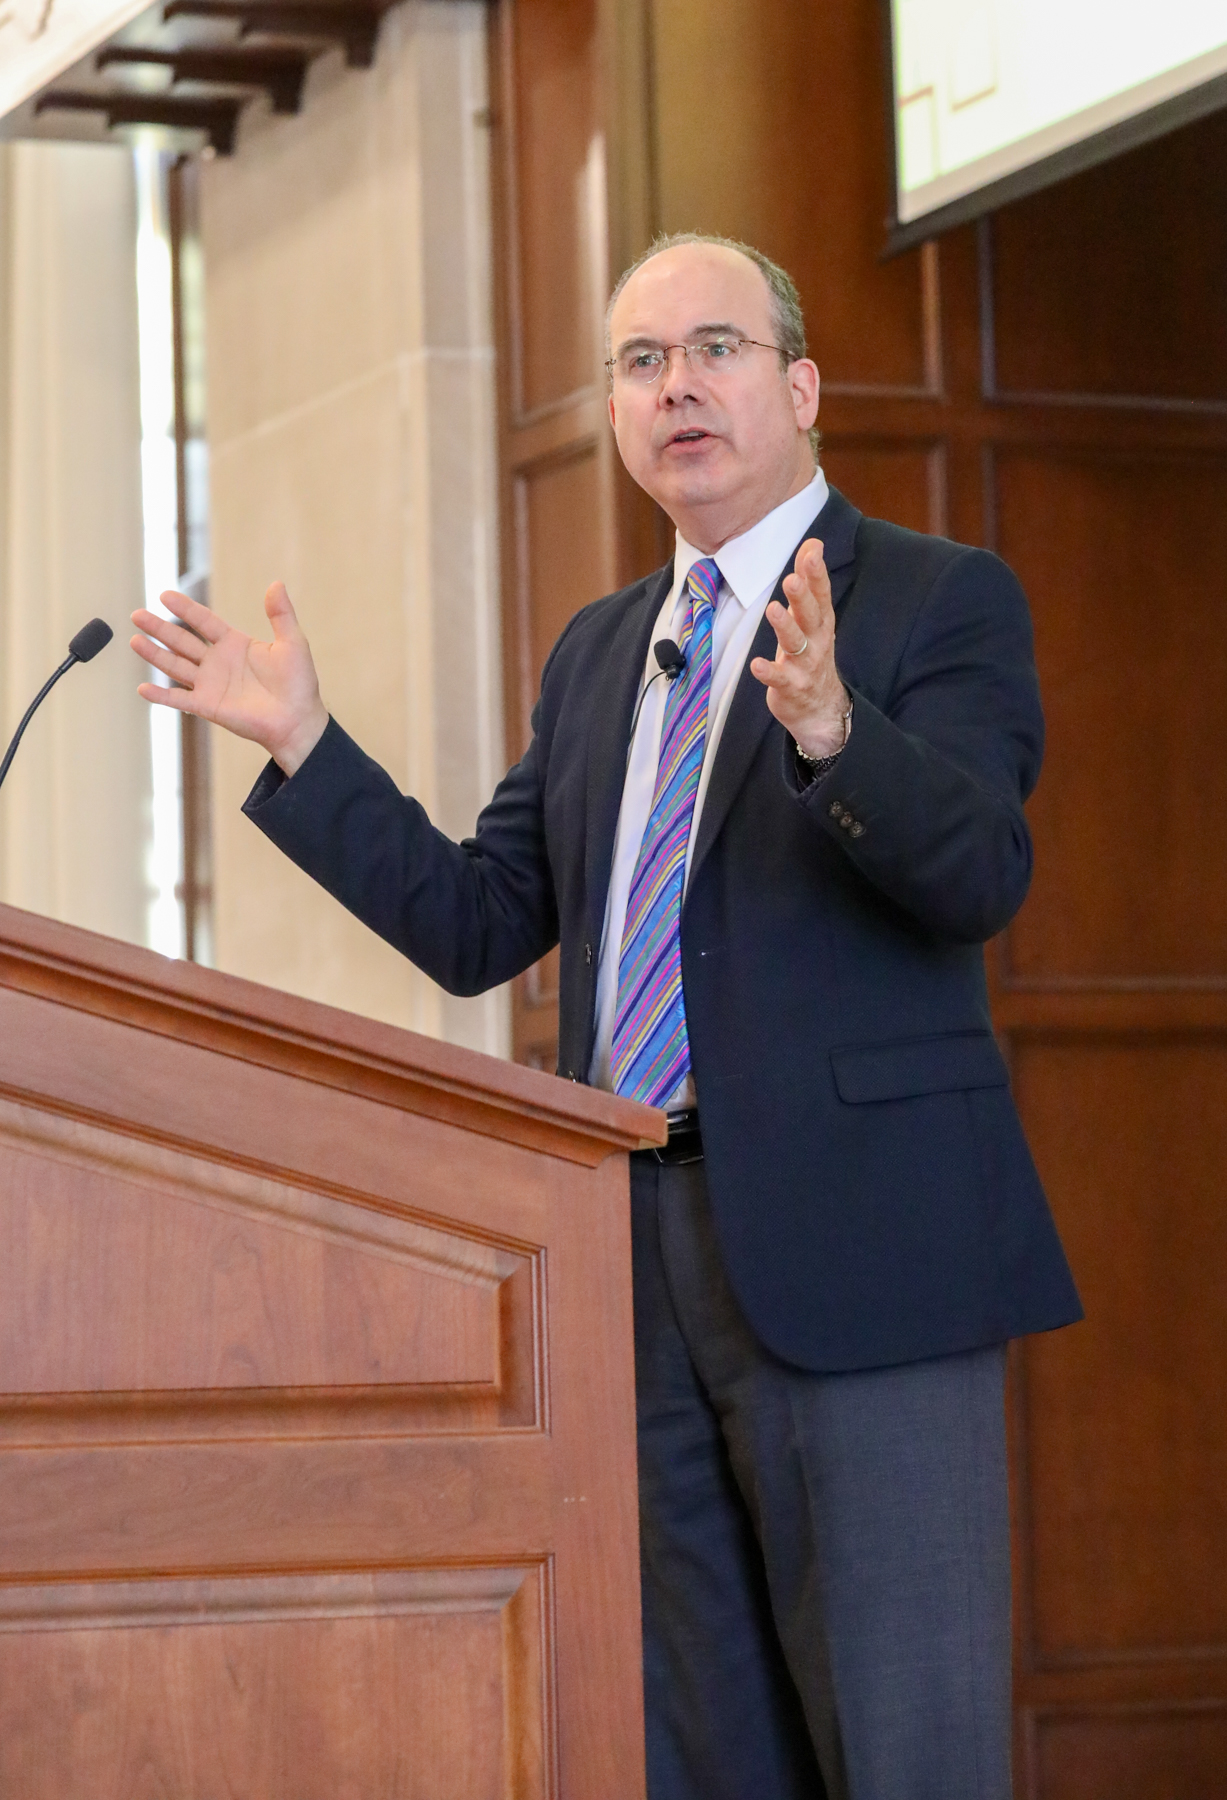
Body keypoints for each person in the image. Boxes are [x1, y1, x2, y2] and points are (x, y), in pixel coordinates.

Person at [132, 232, 1081, 1800]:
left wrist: (837, 732)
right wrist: (304, 742)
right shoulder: (599, 654)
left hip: (864, 1265)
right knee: (701, 1751)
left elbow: (983, 869)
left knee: (908, 1753)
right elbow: (477, 924)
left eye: (714, 349)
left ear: (800, 386)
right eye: (640, 362)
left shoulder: (936, 598)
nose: (676, 386)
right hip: (624, 1262)